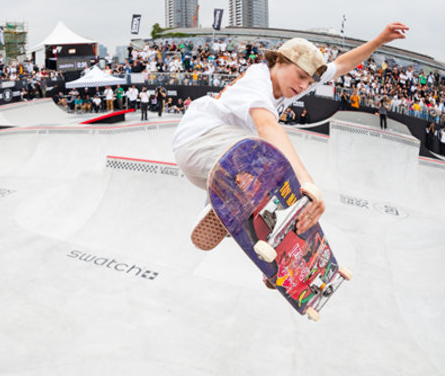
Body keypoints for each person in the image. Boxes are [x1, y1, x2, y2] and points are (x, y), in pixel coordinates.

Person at [172, 22, 409, 249]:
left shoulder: (292, 81)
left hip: (210, 169)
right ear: (279, 61)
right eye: (301, 76)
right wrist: (306, 182)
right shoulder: (258, 81)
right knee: (269, 155)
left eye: (310, 81)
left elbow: (341, 65)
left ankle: (241, 219)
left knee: (270, 177)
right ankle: (229, 205)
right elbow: (267, 126)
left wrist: (380, 40)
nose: (304, 86)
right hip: (199, 141)